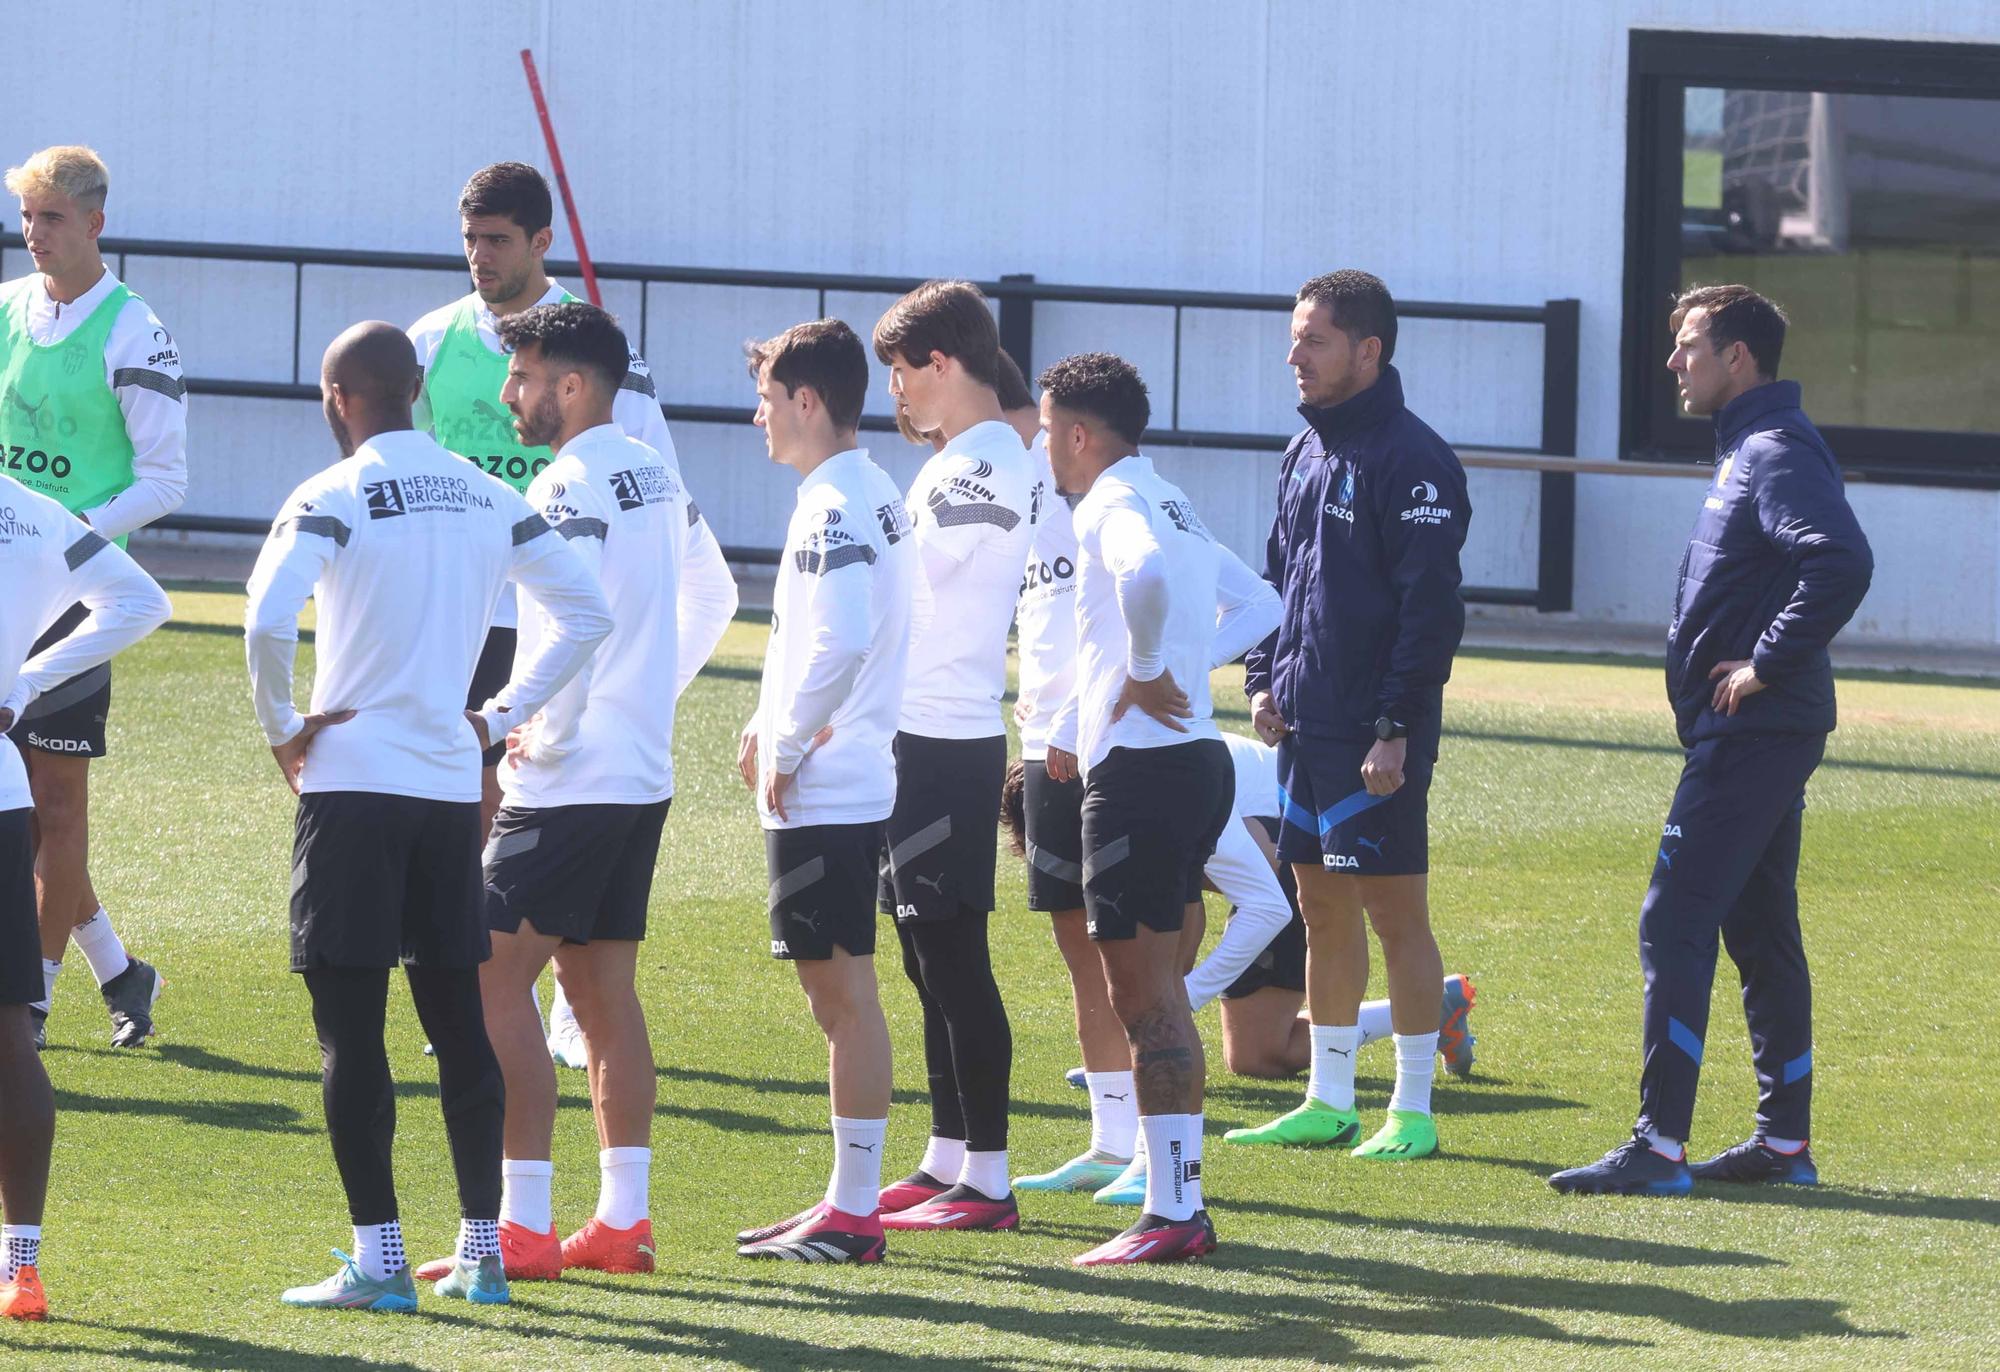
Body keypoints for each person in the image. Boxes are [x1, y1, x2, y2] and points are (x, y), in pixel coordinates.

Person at [246, 322, 610, 1311]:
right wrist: (491, 719)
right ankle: (482, 1251)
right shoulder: (488, 493)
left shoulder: (331, 492)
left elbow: (266, 615)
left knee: (349, 1033)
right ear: (416, 387)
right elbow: (586, 612)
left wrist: (284, 726)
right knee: (459, 1025)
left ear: (335, 396)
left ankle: (380, 1260)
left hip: (351, 787)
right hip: (449, 792)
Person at [417, 302, 726, 1284]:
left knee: (486, 978)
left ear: (574, 385)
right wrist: (645, 696)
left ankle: (524, 1227)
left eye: (524, 376)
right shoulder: (653, 468)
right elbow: (712, 593)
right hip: (635, 770)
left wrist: (511, 718)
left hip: (570, 776)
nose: (508, 395)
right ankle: (621, 1224)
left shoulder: (565, 483)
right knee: (598, 990)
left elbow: (574, 620)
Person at [408, 160, 735, 1065]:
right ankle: (504, 990)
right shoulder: (431, 341)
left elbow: (657, 500)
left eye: (497, 239)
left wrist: (628, 687)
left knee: (518, 796)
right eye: (469, 238)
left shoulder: (606, 376)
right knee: (467, 802)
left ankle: (513, 1006)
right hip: (463, 615)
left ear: (540, 242)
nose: (480, 255)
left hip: (554, 646)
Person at [1550, 285, 1871, 1196]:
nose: (1673, 362)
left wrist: (1765, 662)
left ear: (1740, 358)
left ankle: (1658, 1148)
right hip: (1749, 730)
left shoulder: (1772, 452)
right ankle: (1783, 1147)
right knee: (1759, 927)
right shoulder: (1751, 450)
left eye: (1689, 345)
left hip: (1755, 728)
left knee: (1675, 918)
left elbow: (1841, 560)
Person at [1040, 351, 1269, 1267]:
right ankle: (1175, 1198)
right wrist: (1178, 671)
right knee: (1161, 990)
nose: (1046, 452)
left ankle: (1174, 1212)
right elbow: (1264, 604)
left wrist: (1146, 675)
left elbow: (1142, 583)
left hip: (1141, 778)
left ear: (1082, 435)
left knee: (1141, 997)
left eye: (1051, 433)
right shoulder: (1168, 495)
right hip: (1197, 763)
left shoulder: (1109, 505)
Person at [1238, 270, 1470, 1159]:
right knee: (1320, 908)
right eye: (1295, 336)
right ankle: (1329, 1098)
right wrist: (1264, 676)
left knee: (1394, 915)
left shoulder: (1414, 461)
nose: (1294, 354)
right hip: (1304, 728)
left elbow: (1430, 611)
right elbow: (1278, 581)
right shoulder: (1304, 451)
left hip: (1376, 735)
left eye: (1315, 340)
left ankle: (1411, 1110)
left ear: (1368, 351)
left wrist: (1396, 726)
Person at [733, 319, 916, 1263]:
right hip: (845, 777)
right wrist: (771, 724)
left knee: (841, 997)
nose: (757, 415)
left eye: (767, 398)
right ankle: (847, 1205)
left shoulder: (833, 505)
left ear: (808, 402)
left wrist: (790, 742)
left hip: (828, 789)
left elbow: (842, 638)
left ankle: (853, 1214)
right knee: (842, 996)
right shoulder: (868, 487)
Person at [1, 145, 188, 1050]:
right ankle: (118, 969)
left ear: (95, 224)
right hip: (6, 584)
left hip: (77, 595)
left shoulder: (134, 330)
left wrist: (65, 535)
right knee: (21, 809)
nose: (34, 236)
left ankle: (30, 1003)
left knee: (54, 805)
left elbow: (165, 479)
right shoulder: (4, 310)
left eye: (52, 219)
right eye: (27, 218)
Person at [868, 282, 1037, 1233]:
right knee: (921, 955)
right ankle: (947, 1155)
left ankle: (991, 1176)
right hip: (916, 732)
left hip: (944, 737)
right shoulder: (955, 462)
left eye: (901, 371)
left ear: (941, 365)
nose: (895, 392)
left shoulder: (982, 466)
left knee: (953, 956)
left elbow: (914, 592)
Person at [0, 473, 171, 1321]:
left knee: (56, 818)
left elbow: (144, 587)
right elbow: (143, 601)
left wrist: (24, 682)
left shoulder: (37, 513)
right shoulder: (30, 510)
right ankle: (18, 1269)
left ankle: (65, 985)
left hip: (15, 766)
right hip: (3, 790)